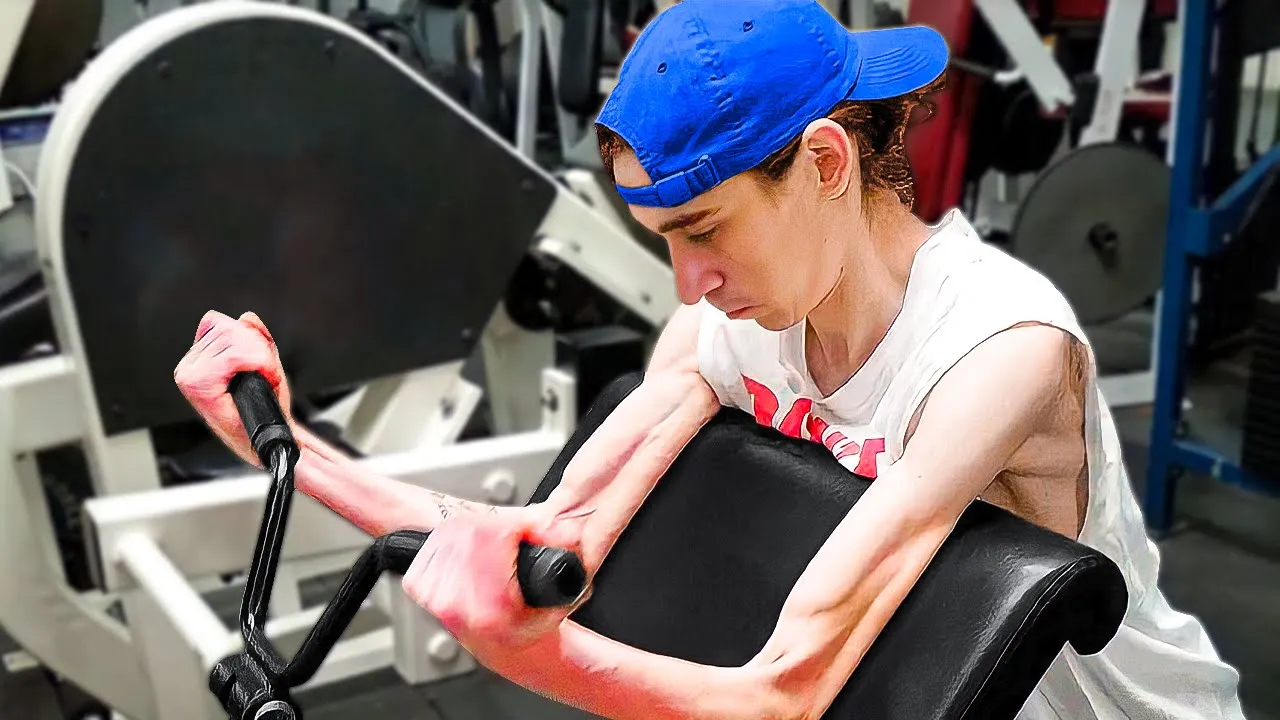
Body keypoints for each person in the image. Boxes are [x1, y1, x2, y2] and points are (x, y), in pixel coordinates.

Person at [175, 1, 1247, 718]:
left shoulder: (998, 350)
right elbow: (552, 534)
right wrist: (283, 443)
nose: (686, 286)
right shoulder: (725, 331)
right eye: (664, 243)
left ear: (823, 162)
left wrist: (525, 652)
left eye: (703, 229)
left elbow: (785, 693)